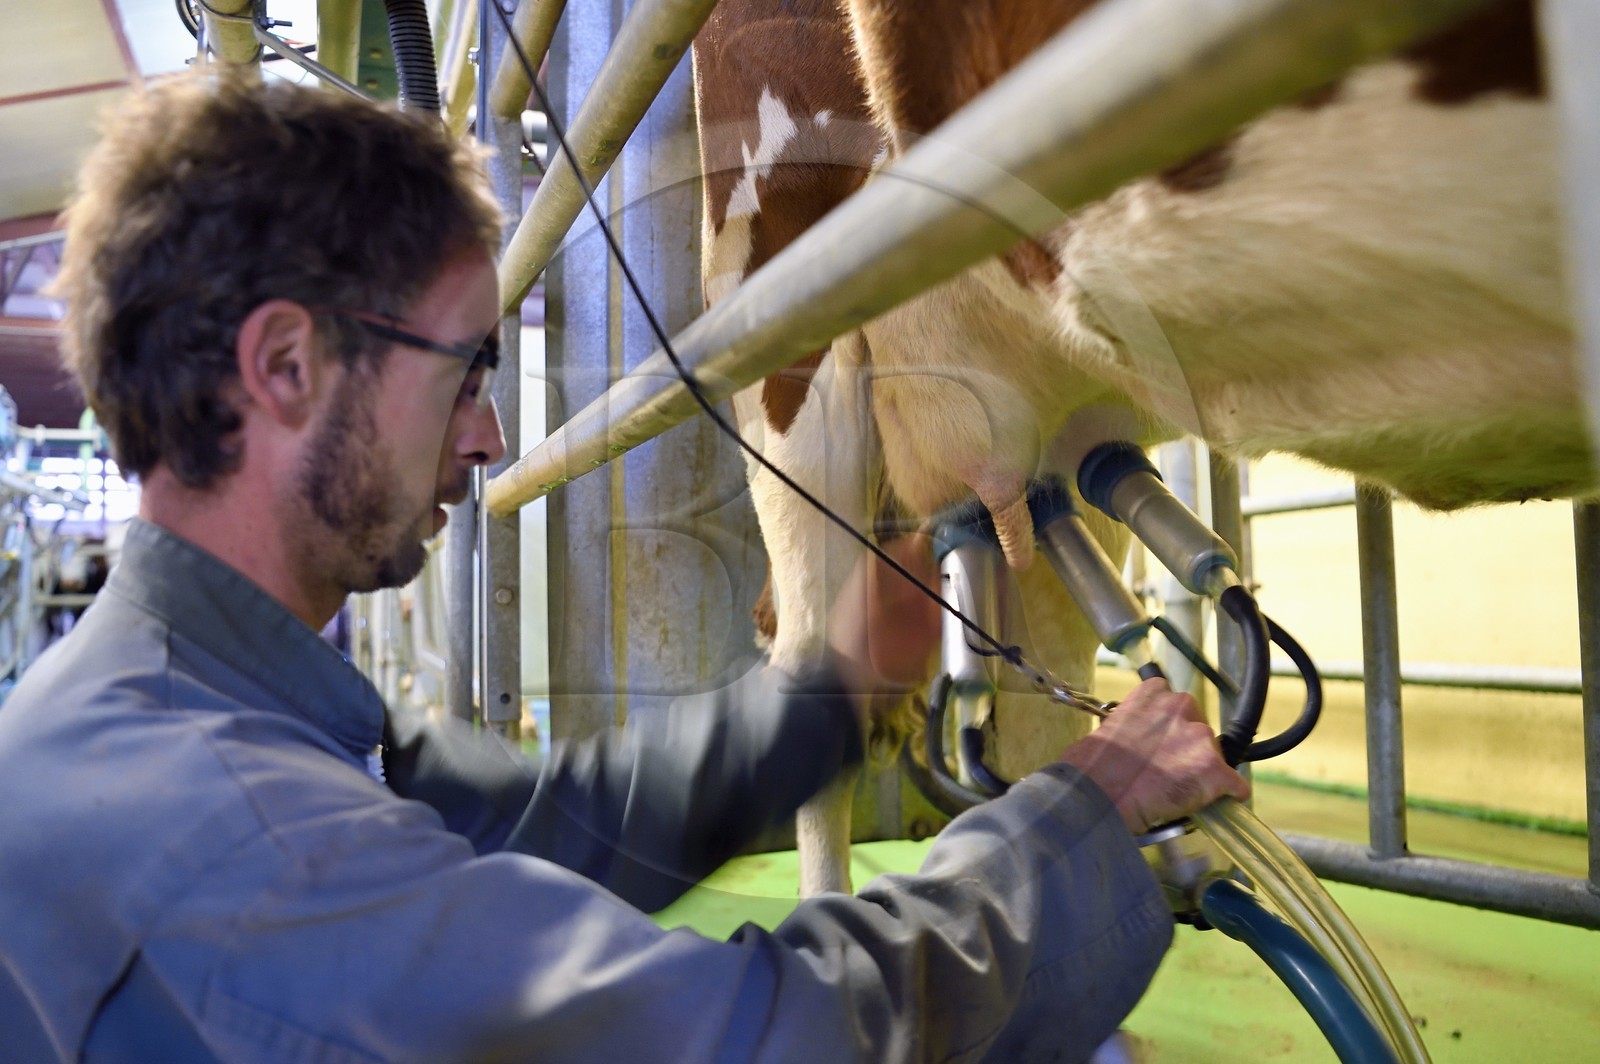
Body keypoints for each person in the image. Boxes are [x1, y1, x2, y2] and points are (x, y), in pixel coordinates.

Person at [0, 72, 1249, 1063]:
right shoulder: (242, 836)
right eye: (465, 369)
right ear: (285, 368)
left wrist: (834, 689)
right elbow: (755, 1037)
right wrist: (1074, 817)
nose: (490, 435)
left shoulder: (194, 700)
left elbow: (556, 824)